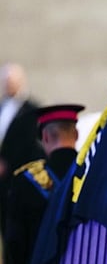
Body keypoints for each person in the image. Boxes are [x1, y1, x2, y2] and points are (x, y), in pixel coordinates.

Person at [4, 104, 84, 264]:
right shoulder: (92, 175)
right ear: (76, 134)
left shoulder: (24, 181)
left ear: (45, 137)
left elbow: (15, 245)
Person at [0, 63, 45, 236]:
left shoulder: (31, 110)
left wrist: (7, 163)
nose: (9, 85)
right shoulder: (2, 107)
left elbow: (28, 143)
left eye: (13, 81)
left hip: (18, 174)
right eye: (7, 81)